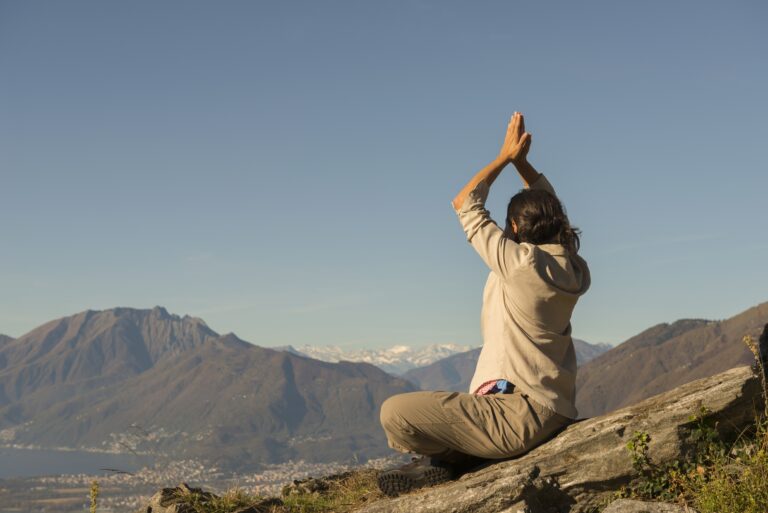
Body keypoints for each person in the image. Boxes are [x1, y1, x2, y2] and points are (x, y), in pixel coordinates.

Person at [377, 112, 591, 497]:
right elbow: (555, 208)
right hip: (551, 409)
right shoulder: (571, 265)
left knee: (395, 413)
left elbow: (466, 204)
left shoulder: (520, 264)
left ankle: (448, 458)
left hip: (516, 418)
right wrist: (525, 164)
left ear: (512, 231)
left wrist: (505, 158)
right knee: (446, 410)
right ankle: (455, 456)